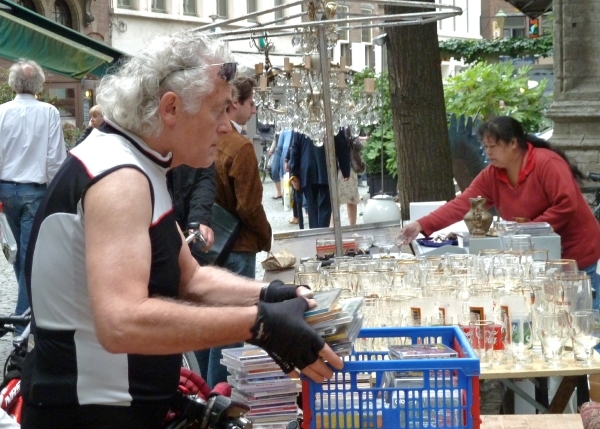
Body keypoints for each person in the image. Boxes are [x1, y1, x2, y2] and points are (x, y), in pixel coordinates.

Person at [20, 30, 343, 429]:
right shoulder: (120, 178)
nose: (226, 126)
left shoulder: (137, 161)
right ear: (171, 108)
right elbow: (121, 322)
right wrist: (260, 324)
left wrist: (273, 295)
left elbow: (191, 278)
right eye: (218, 110)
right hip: (92, 414)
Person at [400, 115, 600, 309]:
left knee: (585, 321)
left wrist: (524, 231)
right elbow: (462, 203)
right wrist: (421, 224)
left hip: (576, 254)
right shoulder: (492, 175)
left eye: (493, 146)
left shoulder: (547, 163)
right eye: (485, 147)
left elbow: (566, 205)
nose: (488, 152)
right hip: (538, 260)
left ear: (513, 143)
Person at [0, 59, 66, 322]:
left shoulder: (1, 112)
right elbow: (55, 160)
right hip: (35, 192)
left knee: (18, 256)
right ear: (38, 83)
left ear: (13, 83)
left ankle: (23, 317)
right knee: (28, 258)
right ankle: (22, 326)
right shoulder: (49, 112)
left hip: (5, 191)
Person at [214, 76, 272, 279]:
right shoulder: (240, 146)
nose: (254, 110)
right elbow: (249, 206)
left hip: (214, 244)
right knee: (241, 307)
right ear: (235, 103)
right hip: (238, 244)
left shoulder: (209, 138)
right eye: (251, 103)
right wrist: (265, 234)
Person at [330, 128, 360, 227]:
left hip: (346, 164)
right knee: (335, 200)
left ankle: (351, 226)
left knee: (350, 198)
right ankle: (333, 227)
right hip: (338, 165)